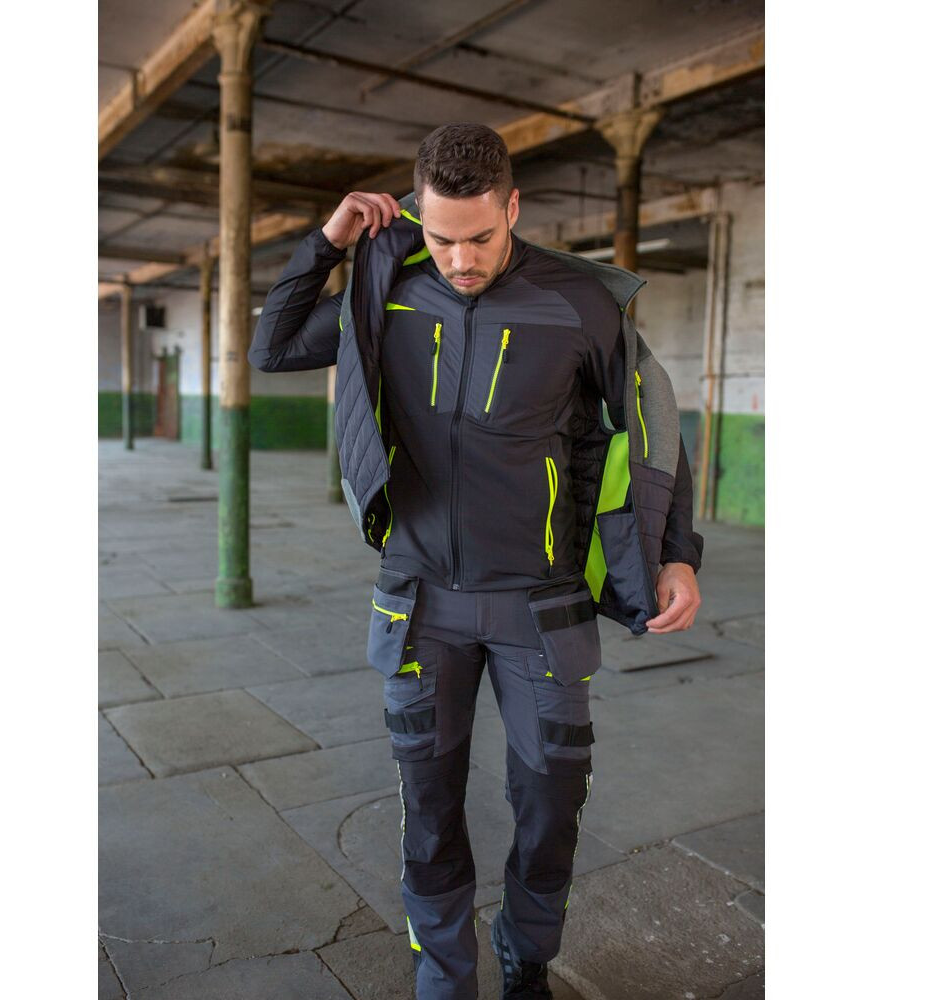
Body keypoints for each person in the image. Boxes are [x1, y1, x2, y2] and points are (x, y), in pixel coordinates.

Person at [249, 123, 703, 1000]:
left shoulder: (578, 303)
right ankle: (444, 977)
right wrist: (331, 243)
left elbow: (652, 427)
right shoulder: (387, 293)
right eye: (441, 237)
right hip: (420, 601)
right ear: (418, 217)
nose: (460, 259)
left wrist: (677, 554)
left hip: (542, 607)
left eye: (481, 238)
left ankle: (526, 962)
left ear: (514, 208)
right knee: (429, 813)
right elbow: (272, 348)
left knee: (551, 805)